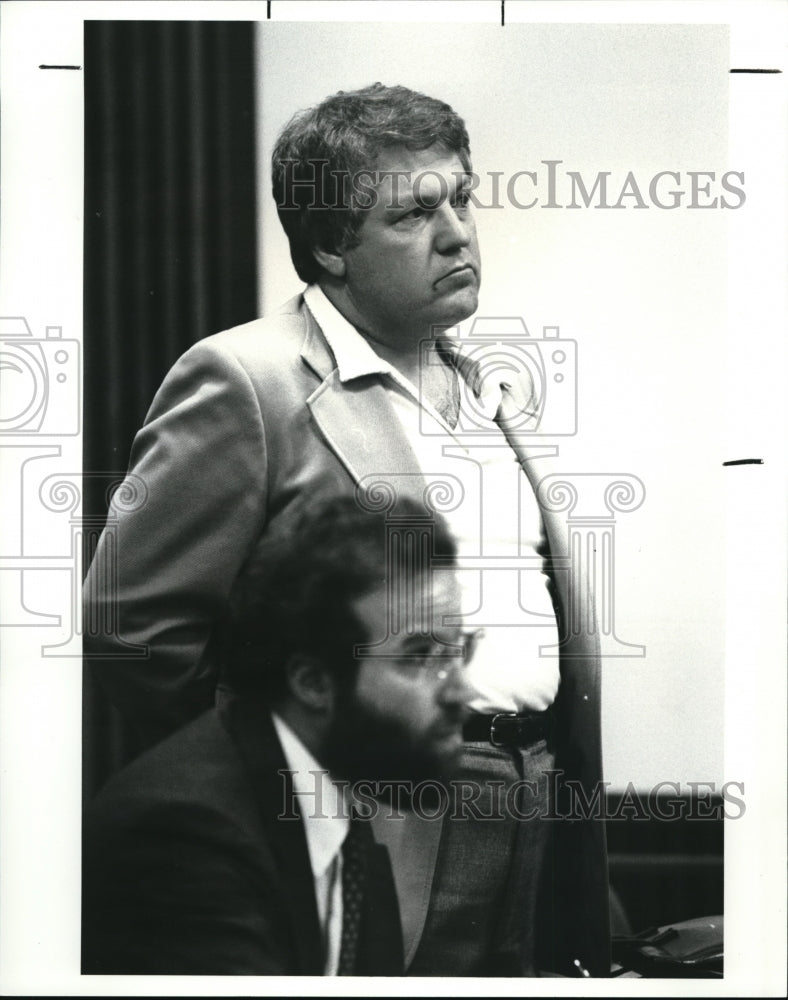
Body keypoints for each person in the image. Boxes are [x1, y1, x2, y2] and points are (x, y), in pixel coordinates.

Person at [84, 82, 609, 976]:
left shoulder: (488, 387)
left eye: (461, 199)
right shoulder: (246, 380)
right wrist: (302, 763)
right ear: (330, 246)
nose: (457, 233)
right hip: (374, 812)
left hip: (538, 810)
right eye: (413, 214)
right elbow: (129, 633)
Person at [82, 496, 473, 975]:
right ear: (312, 682)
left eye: (459, 651)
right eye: (419, 656)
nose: (461, 690)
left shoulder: (342, 810)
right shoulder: (185, 840)